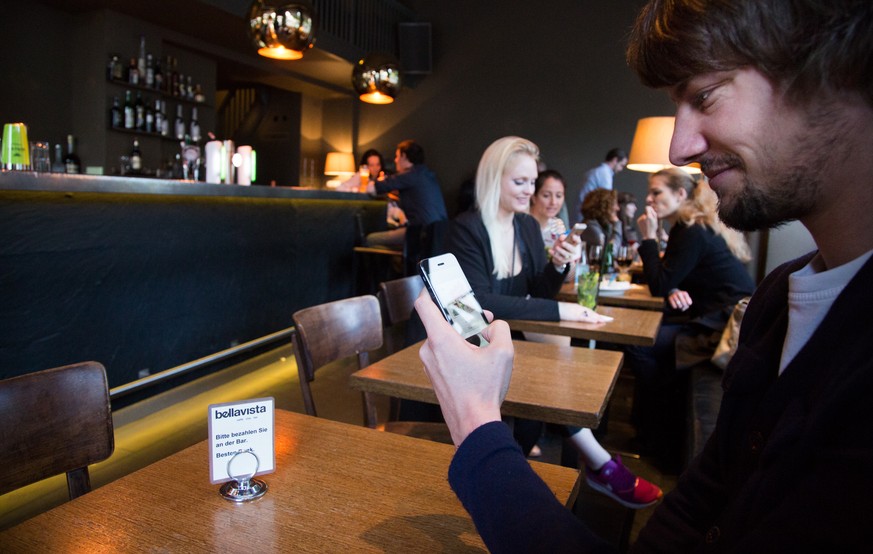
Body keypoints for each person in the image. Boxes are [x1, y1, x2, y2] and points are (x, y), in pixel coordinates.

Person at [410, 0, 873, 551]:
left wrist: (475, 420)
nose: (679, 148)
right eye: (525, 184)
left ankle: (584, 457)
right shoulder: (775, 300)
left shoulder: (529, 230)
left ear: (837, 71)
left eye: (706, 96)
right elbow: (699, 505)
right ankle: (590, 458)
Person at [446, 136, 662, 510]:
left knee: (557, 366)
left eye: (532, 182)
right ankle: (597, 465)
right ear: (493, 179)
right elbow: (477, 303)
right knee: (551, 367)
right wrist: (563, 311)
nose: (529, 190)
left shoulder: (526, 227)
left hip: (507, 339)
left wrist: (559, 265)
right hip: (470, 342)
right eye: (520, 181)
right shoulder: (467, 228)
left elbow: (538, 291)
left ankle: (581, 466)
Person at [629, 168, 755, 467]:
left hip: (725, 326)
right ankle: (652, 428)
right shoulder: (687, 227)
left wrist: (648, 238)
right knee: (650, 338)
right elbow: (670, 279)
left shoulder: (691, 231)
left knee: (640, 345)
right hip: (708, 315)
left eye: (656, 192)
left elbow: (659, 283)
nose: (649, 199)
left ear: (680, 194)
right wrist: (673, 287)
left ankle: (655, 429)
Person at [365, 140, 447, 250]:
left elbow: (372, 189)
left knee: (370, 239)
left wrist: (373, 182)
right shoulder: (427, 174)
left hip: (421, 233)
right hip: (439, 234)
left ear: (404, 156)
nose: (395, 160)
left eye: (397, 156)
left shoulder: (408, 176)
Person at [573, 148, 628, 223]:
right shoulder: (604, 174)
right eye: (622, 165)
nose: (621, 169)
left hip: (580, 214)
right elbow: (606, 200)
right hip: (589, 218)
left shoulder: (594, 171)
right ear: (615, 160)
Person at [529, 169, 568, 248]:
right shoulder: (520, 225)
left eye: (559, 196)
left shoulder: (558, 227)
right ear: (533, 197)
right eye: (546, 195)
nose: (553, 202)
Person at [579, 188, 623, 253]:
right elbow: (611, 253)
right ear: (604, 206)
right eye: (615, 204)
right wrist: (617, 224)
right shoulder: (591, 227)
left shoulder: (604, 225)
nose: (618, 208)